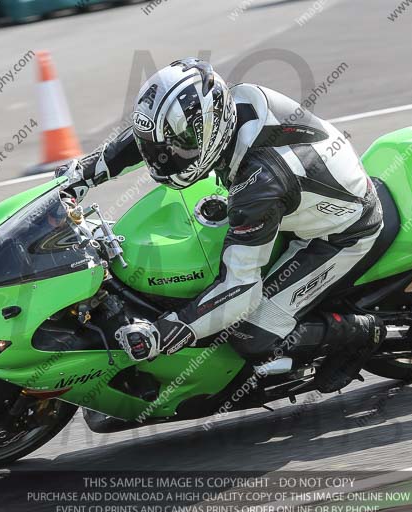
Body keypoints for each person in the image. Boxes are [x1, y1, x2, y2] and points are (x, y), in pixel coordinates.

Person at [59, 58, 385, 392]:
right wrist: (84, 173)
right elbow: (154, 136)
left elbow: (241, 291)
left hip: (339, 233)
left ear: (210, 131)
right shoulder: (222, 105)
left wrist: (168, 331)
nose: (165, 158)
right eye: (163, 147)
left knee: (251, 333)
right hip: (298, 189)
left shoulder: (258, 185)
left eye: (178, 147)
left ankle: (359, 332)